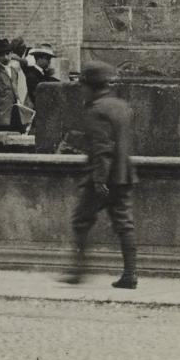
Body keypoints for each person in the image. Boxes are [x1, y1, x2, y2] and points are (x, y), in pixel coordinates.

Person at [66, 60, 136, 288]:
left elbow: (102, 148)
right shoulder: (122, 106)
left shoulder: (96, 110)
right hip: (124, 174)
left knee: (81, 221)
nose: (81, 90)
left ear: (91, 86)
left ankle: (79, 270)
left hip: (103, 177)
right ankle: (129, 274)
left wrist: (98, 180)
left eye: (83, 85)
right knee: (124, 223)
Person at [0, 37, 31, 134]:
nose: (6, 57)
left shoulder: (14, 71)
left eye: (7, 54)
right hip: (0, 114)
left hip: (14, 112)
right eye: (2, 55)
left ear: (11, 54)